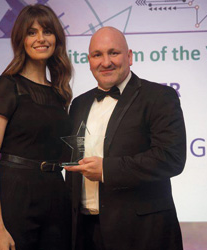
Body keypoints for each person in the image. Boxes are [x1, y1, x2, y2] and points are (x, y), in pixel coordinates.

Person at [65, 26, 186, 250]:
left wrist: (108, 170)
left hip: (142, 235)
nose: (106, 62)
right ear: (89, 60)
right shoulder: (79, 104)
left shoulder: (159, 97)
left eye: (114, 53)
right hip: (84, 233)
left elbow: (171, 158)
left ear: (129, 56)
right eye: (97, 55)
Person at [0, 4, 73, 250]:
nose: (41, 38)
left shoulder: (60, 93)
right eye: (32, 32)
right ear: (21, 40)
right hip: (15, 198)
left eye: (47, 31)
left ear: (57, 39)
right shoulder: (6, 86)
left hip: (56, 197)